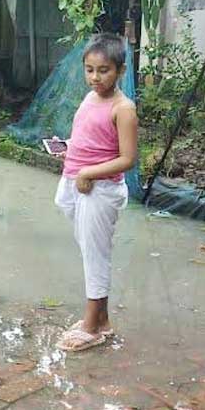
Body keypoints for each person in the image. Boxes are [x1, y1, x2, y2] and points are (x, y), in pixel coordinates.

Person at [52, 33, 139, 352]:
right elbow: (91, 138)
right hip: (76, 181)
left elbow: (128, 159)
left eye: (104, 70)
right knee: (90, 249)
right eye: (89, 70)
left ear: (120, 70)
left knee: (95, 255)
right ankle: (101, 319)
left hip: (99, 188)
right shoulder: (90, 99)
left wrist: (88, 172)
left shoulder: (124, 108)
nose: (95, 77)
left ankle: (92, 326)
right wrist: (70, 151)